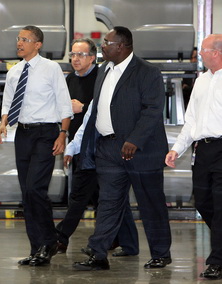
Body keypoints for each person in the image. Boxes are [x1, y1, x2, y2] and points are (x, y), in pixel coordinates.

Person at [73, 26, 172, 271]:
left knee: (151, 204)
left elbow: (152, 110)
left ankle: (161, 253)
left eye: (107, 42)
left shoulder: (148, 72)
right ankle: (98, 254)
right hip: (108, 148)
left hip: (141, 150)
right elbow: (99, 109)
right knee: (108, 203)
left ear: (122, 46)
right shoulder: (104, 70)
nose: (103, 46)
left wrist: (134, 140)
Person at [0, 25, 73, 266]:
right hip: (24, 134)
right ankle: (37, 247)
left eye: (25, 39)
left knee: (35, 189)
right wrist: (2, 124)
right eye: (19, 39)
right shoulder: (14, 71)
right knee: (27, 193)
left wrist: (62, 135)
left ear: (38, 45)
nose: (19, 43)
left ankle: (48, 242)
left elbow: (64, 104)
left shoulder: (51, 69)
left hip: (46, 133)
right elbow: (8, 103)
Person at [55, 38, 139, 257]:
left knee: (84, 196)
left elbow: (99, 111)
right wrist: (69, 143)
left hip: (98, 145)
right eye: (72, 55)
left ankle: (61, 238)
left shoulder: (101, 77)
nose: (75, 59)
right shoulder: (69, 80)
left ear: (92, 58)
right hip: (79, 144)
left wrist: (81, 107)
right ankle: (123, 241)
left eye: (80, 55)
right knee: (107, 197)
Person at [165, 34, 222, 280]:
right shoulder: (200, 82)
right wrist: (177, 148)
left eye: (204, 50)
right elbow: (190, 122)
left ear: (217, 52)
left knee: (220, 206)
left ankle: (217, 261)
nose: (199, 54)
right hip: (204, 149)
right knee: (203, 202)